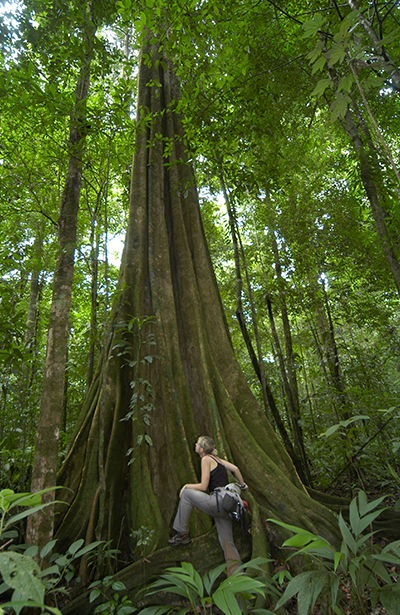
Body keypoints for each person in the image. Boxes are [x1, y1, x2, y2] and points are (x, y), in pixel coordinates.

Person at [168, 436, 248, 576]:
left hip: (216, 502)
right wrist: (243, 485)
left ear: (202, 448)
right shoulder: (219, 460)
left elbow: (203, 486)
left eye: (197, 444)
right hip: (226, 506)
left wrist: (185, 486)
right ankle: (237, 576)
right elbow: (235, 468)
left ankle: (182, 533)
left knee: (187, 494)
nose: (195, 445)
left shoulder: (206, 459)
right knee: (227, 542)